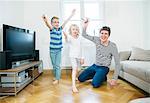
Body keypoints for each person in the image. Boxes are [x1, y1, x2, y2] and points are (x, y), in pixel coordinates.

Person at [78, 18, 120, 88]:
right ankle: (100, 76)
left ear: (109, 35)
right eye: (102, 33)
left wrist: (114, 78)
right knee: (80, 78)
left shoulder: (113, 46)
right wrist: (85, 26)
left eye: (106, 34)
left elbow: (117, 63)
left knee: (95, 84)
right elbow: (84, 35)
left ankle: (102, 76)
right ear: (99, 34)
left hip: (104, 68)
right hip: (95, 65)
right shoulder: (97, 40)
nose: (103, 35)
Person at [42, 9, 76, 84]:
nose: (57, 23)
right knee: (54, 65)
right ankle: (55, 76)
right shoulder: (52, 29)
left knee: (57, 65)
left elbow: (66, 22)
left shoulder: (60, 29)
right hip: (52, 50)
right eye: (55, 22)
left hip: (59, 50)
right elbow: (48, 25)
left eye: (58, 22)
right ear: (52, 24)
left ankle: (57, 78)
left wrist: (72, 14)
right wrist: (45, 20)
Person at [63, 24, 84, 93]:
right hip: (72, 56)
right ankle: (73, 86)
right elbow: (67, 40)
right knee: (74, 69)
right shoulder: (70, 37)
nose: (75, 31)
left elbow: (82, 48)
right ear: (70, 31)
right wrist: (65, 35)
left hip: (79, 56)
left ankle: (75, 76)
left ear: (78, 31)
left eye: (76, 29)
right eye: (73, 29)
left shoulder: (80, 38)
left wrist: (82, 58)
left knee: (79, 68)